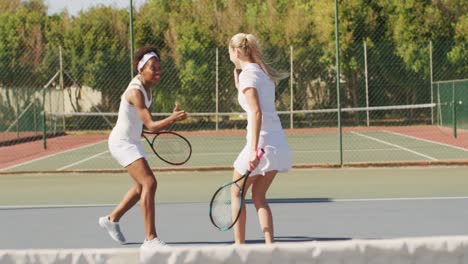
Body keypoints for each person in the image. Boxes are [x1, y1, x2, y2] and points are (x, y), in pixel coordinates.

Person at [98, 46, 187, 249]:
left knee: (141, 187)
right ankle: (150, 239)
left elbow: (142, 124)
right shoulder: (136, 92)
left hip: (133, 141)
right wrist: (172, 118)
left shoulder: (148, 88)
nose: (158, 72)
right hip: (121, 143)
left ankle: (111, 220)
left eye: (159, 68)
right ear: (141, 69)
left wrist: (168, 120)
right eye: (153, 68)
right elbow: (151, 125)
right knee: (150, 183)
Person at [228, 33, 292, 244]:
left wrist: (254, 150)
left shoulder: (249, 76)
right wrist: (240, 87)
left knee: (236, 193)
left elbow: (256, 112)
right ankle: (270, 247)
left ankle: (239, 249)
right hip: (277, 144)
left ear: (237, 52)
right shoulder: (262, 74)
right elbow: (257, 103)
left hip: (261, 144)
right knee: (259, 196)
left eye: (230, 51)